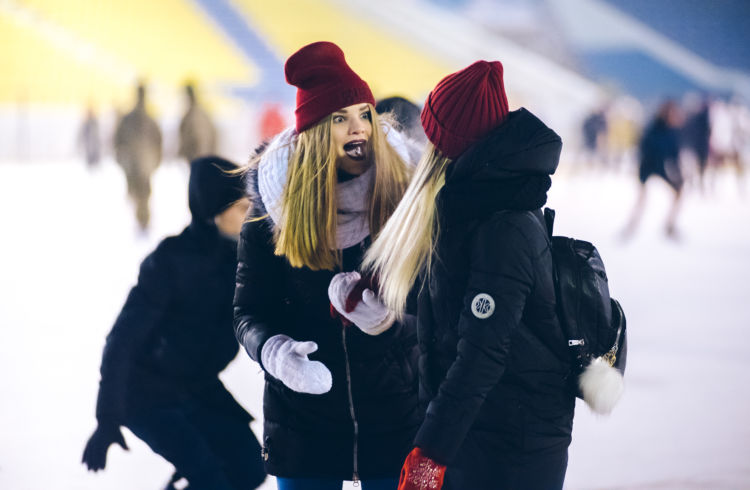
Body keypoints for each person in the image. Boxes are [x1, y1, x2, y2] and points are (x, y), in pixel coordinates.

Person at [363, 60, 575, 490]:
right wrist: (378, 292)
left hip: (512, 444)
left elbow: (483, 352)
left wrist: (430, 453)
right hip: (481, 431)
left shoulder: (504, 225)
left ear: (454, 142)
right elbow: (450, 297)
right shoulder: (473, 200)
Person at [233, 41, 419, 490]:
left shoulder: (408, 197)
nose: (358, 129)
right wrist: (274, 352)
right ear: (315, 132)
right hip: (303, 424)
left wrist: (392, 323)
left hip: (396, 419)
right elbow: (248, 312)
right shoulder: (270, 210)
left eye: (364, 113)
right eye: (341, 118)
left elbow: (439, 308)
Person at [82, 156, 266, 490]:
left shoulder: (242, 258)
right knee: (212, 480)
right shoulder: (170, 261)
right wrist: (107, 417)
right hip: (146, 394)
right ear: (215, 212)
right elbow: (121, 340)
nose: (251, 215)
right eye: (242, 208)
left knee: (250, 468)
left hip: (197, 387)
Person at [621, 99, 684, 240]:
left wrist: (677, 171)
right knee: (642, 198)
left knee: (678, 192)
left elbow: (674, 154)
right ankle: (631, 226)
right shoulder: (653, 128)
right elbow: (644, 147)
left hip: (660, 167)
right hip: (648, 165)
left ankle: (669, 225)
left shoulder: (672, 131)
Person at [113, 83, 162, 232]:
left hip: (137, 168)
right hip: (140, 167)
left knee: (140, 197)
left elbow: (117, 142)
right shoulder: (148, 119)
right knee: (141, 197)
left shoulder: (132, 119)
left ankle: (142, 222)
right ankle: (142, 222)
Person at [178, 83, 218, 163]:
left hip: (199, 156)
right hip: (200, 157)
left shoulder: (195, 115)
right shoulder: (198, 114)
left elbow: (200, 139)